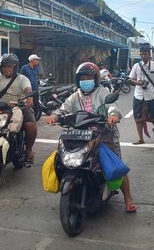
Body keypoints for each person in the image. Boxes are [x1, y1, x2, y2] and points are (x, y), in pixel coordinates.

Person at [47, 62, 136, 212]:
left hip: (103, 134)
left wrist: (113, 115)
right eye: (82, 78)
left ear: (95, 79)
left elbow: (112, 106)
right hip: (80, 135)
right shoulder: (75, 95)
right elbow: (63, 109)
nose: (85, 80)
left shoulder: (102, 92)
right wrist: (54, 116)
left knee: (116, 165)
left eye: (89, 77)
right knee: (62, 157)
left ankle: (128, 198)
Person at [129, 46, 154, 145]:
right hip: (138, 95)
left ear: (149, 55)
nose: (143, 56)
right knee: (138, 118)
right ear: (139, 54)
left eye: (145, 54)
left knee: (153, 117)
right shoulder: (136, 66)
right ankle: (141, 138)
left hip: (151, 95)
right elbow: (130, 79)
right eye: (142, 54)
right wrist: (137, 83)